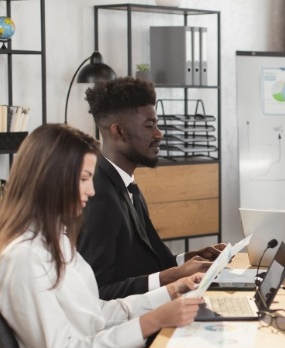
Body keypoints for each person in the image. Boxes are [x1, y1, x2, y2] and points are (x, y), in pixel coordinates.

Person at [0, 124, 266, 348]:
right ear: (51, 179)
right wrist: (153, 320)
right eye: (84, 179)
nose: (91, 191)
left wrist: (169, 293)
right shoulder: (23, 258)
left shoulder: (53, 239)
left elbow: (96, 312)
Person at [79, 77, 222, 300]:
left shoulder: (126, 185)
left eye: (157, 124)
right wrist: (172, 277)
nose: (159, 133)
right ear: (118, 132)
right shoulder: (98, 196)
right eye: (149, 125)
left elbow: (138, 265)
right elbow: (96, 292)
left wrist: (188, 259)